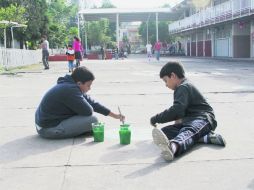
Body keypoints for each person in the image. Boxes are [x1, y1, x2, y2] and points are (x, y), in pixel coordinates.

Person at [150, 62, 226, 161]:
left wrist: (156, 118)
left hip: (203, 118)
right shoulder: (182, 87)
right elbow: (181, 110)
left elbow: (177, 109)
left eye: (165, 80)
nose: (166, 85)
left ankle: (173, 147)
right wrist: (180, 119)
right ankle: (205, 137)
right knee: (165, 132)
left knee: (188, 131)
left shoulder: (183, 87)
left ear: (172, 76)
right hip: (189, 119)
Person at [35, 66, 125, 139]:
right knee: (92, 120)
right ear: (79, 83)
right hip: (48, 129)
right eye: (88, 85)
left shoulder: (70, 85)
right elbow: (88, 111)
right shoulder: (70, 90)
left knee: (89, 120)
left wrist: (116, 116)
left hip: (43, 125)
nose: (90, 88)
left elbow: (93, 103)